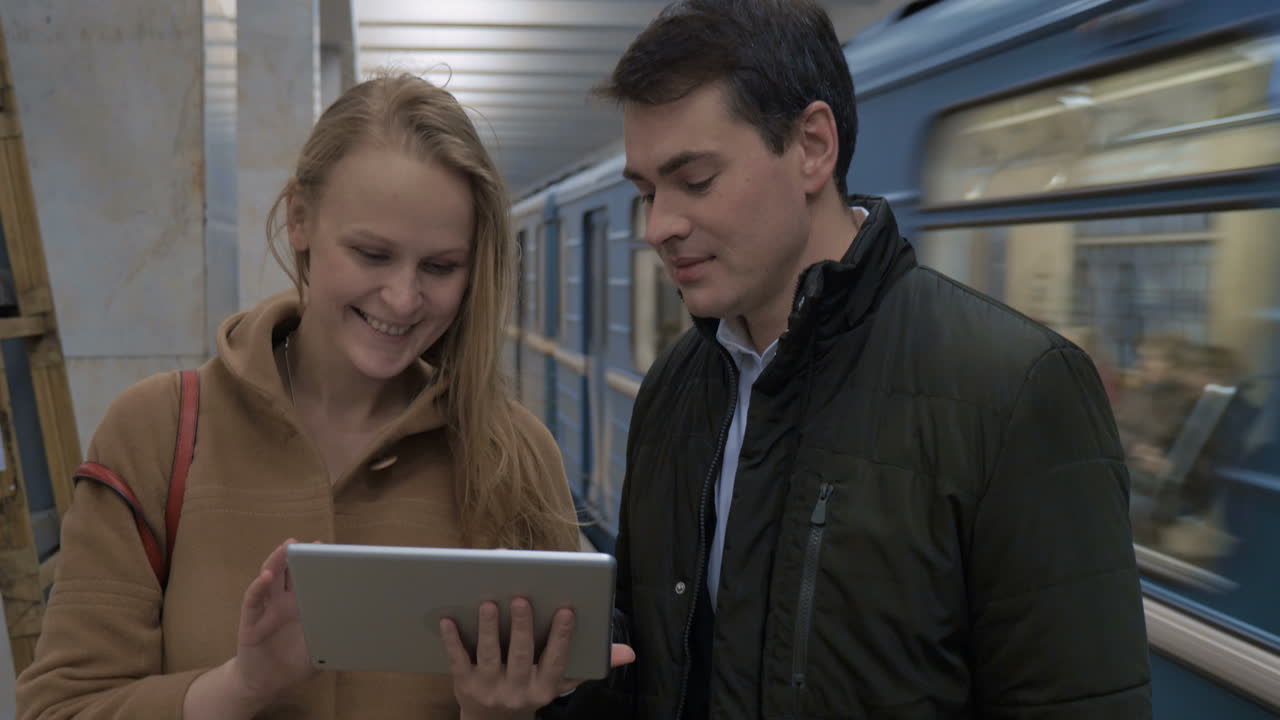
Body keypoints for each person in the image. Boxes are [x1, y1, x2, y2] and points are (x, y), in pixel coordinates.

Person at [549, 0, 1152, 717]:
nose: (658, 227)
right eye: (647, 193)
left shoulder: (1016, 389)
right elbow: (656, 672)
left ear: (811, 146)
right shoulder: (676, 387)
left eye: (696, 181)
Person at [17, 73, 603, 720]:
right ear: (299, 218)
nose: (403, 299)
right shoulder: (157, 432)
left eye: (440, 267)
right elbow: (59, 708)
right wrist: (240, 686)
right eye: (372, 253)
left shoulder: (513, 456)